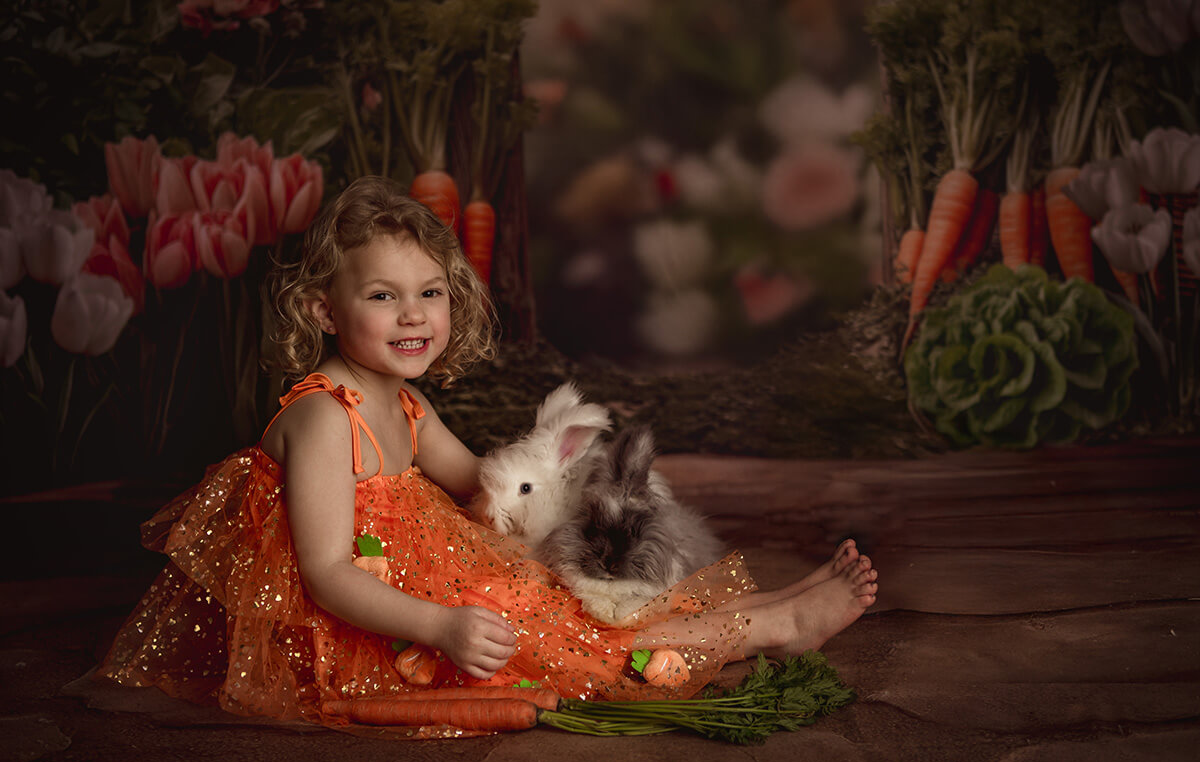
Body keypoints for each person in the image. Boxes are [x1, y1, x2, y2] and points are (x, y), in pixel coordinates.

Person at [101, 175, 878, 733]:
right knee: (572, 643)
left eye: (430, 292)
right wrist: (440, 628)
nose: (413, 315)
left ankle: (768, 610)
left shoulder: (406, 402)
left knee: (578, 596)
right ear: (321, 307)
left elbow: (481, 478)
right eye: (382, 296)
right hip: (380, 625)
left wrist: (567, 486)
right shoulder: (322, 419)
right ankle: (776, 629)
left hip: (436, 584)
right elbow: (328, 574)